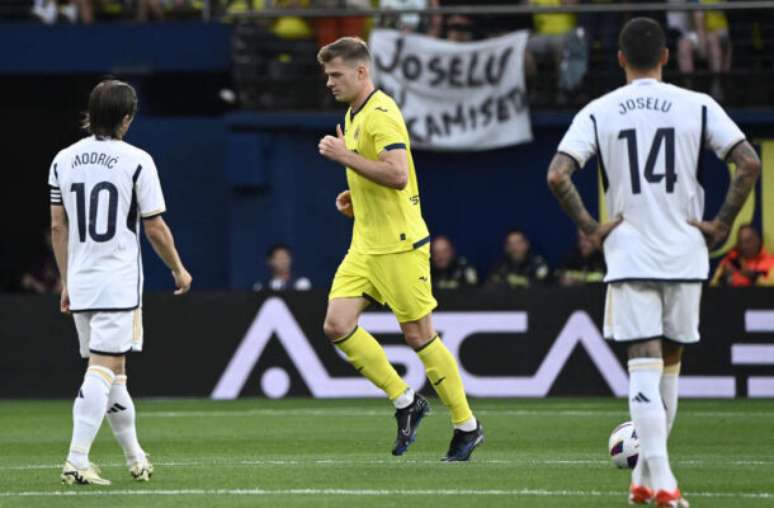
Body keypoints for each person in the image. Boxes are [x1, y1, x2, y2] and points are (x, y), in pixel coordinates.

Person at [546, 17, 760, 507]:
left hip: (631, 252)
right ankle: (650, 480)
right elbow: (748, 161)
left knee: (642, 363)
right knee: (669, 365)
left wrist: (591, 228)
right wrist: (723, 223)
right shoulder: (698, 105)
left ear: (619, 59)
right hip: (685, 251)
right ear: (666, 57)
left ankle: (655, 478)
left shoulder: (600, 110)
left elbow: (558, 175)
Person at [317, 37, 483, 461]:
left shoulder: (382, 113)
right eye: (327, 74)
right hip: (366, 245)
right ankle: (407, 400)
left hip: (400, 246)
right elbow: (378, 177)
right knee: (337, 326)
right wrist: (355, 197)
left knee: (418, 334)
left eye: (336, 74)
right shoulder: (353, 114)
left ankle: (467, 425)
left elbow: (398, 175)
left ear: (361, 72)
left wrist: (344, 158)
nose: (329, 82)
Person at [49, 79, 192, 485]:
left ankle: (135, 456)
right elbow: (155, 227)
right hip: (117, 280)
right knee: (103, 367)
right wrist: (178, 269)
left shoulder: (62, 159)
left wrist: (66, 281)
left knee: (115, 370)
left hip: (81, 279)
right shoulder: (137, 160)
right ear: (126, 118)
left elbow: (58, 228)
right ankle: (76, 458)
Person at [485, 229, 550, 288]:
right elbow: (490, 285)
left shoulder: (538, 263)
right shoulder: (499, 265)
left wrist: (515, 281)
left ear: (526, 244)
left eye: (519, 243)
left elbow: (543, 284)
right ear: (506, 248)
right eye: (511, 244)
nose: (515, 248)